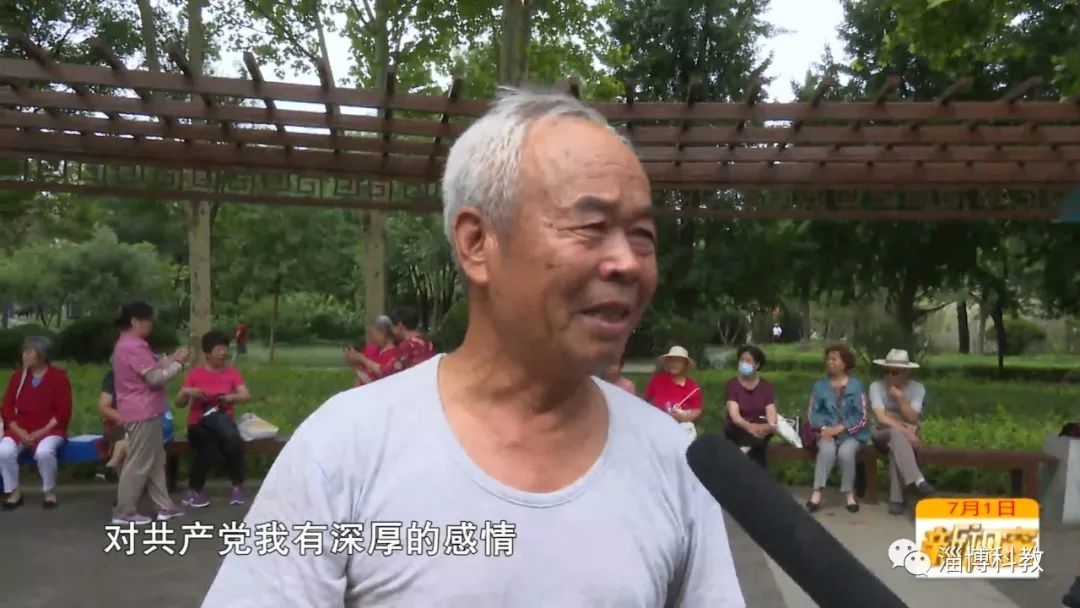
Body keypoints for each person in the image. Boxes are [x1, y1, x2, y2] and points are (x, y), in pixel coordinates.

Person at [201, 87, 744, 606]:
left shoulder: (674, 460)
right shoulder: (342, 449)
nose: (627, 262)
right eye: (592, 225)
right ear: (477, 243)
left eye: (643, 236)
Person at [111, 300, 189, 525]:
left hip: (146, 410)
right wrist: (178, 365)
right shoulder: (132, 347)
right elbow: (154, 378)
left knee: (155, 460)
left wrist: (172, 358)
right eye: (148, 321)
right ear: (135, 321)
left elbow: (153, 365)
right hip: (141, 410)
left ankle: (164, 506)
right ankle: (124, 512)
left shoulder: (131, 344)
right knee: (139, 462)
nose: (151, 325)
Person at [177, 331, 251, 508]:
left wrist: (230, 398)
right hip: (199, 424)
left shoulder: (232, 373)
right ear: (207, 353)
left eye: (225, 349)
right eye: (218, 349)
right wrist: (188, 392)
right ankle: (194, 491)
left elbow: (245, 395)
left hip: (224, 422)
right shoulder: (195, 374)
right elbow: (179, 403)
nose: (222, 353)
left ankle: (237, 488)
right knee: (210, 445)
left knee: (232, 440)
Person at [0, 336, 72, 510]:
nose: (24, 355)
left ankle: (49, 492)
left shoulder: (58, 377)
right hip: (20, 429)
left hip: (50, 429)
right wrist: (18, 430)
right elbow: (7, 407)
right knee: (4, 451)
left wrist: (41, 432)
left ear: (42, 354)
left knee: (44, 452)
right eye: (24, 351)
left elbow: (63, 411)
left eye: (29, 351)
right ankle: (14, 492)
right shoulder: (18, 377)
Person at [868, 348, 936, 515]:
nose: (889, 376)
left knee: (897, 445)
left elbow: (912, 418)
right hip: (881, 433)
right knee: (898, 435)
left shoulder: (917, 389)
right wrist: (906, 430)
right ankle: (918, 479)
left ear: (906, 373)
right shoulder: (876, 386)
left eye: (895, 372)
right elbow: (881, 418)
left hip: (903, 436)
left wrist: (901, 398)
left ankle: (896, 500)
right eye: (887, 371)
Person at [805, 344, 869, 513]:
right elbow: (813, 413)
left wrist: (841, 428)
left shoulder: (856, 386)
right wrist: (824, 428)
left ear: (845, 363)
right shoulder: (819, 386)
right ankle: (817, 493)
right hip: (825, 432)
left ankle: (849, 494)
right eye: (828, 359)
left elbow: (862, 416)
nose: (830, 362)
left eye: (834, 359)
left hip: (852, 434)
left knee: (845, 453)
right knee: (826, 450)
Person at [723, 345, 777, 469]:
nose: (744, 363)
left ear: (757, 365)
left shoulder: (766, 386)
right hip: (738, 428)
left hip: (759, 428)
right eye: (741, 360)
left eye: (748, 360)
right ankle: (748, 451)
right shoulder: (732, 385)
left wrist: (769, 425)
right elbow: (735, 416)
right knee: (757, 450)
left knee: (764, 431)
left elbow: (771, 413)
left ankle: (744, 449)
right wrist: (750, 427)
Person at [643, 346, 703, 442]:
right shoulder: (657, 380)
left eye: (678, 361)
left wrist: (684, 417)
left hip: (682, 429)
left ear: (685, 364)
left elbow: (696, 410)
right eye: (671, 360)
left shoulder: (693, 387)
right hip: (657, 428)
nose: (673, 363)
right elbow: (645, 401)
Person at [95, 370, 129, 482]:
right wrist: (123, 419)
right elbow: (103, 406)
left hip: (142, 422)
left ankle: (111, 465)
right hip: (120, 423)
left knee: (124, 442)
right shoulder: (112, 376)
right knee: (122, 437)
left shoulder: (147, 374)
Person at [345, 315, 397, 385]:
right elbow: (362, 373)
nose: (372, 337)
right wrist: (354, 361)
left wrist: (361, 359)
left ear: (383, 332)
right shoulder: (372, 348)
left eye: (373, 333)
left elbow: (378, 378)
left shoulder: (392, 354)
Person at [386, 305, 435, 373]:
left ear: (400, 325)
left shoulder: (407, 345)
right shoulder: (427, 342)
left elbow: (395, 370)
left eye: (392, 326)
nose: (391, 330)